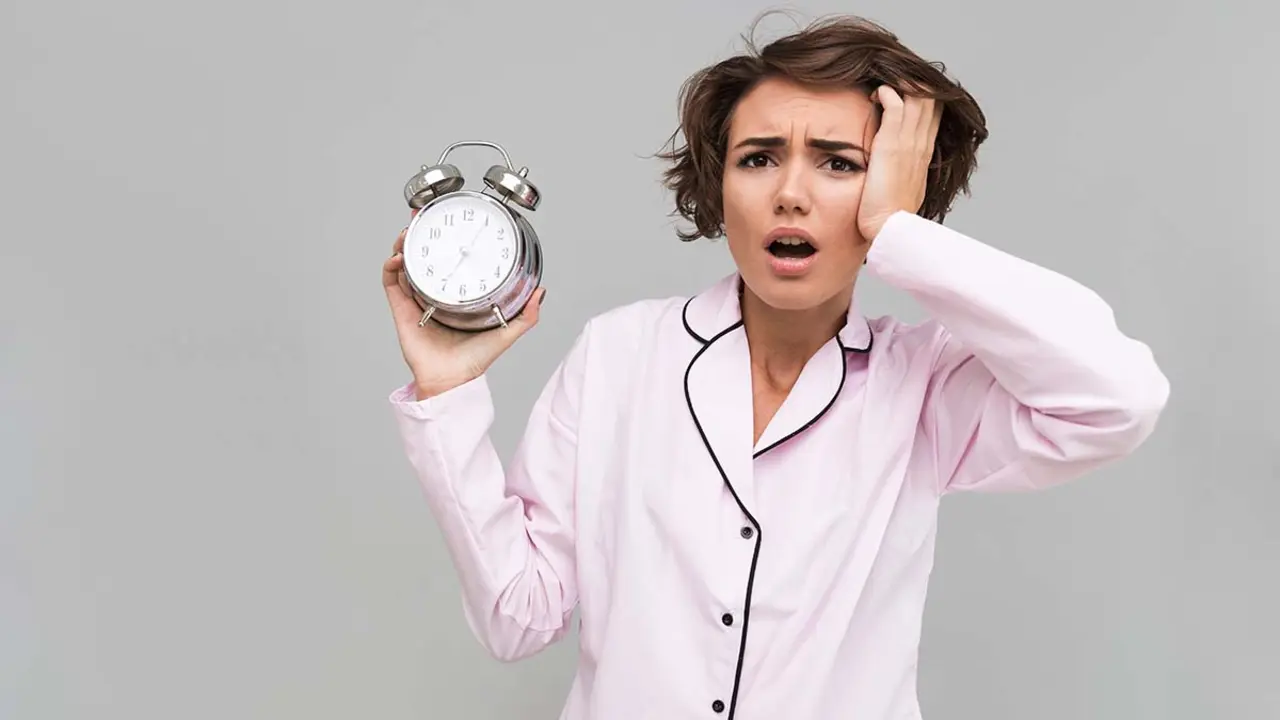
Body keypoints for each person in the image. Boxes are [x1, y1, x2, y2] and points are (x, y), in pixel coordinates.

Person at [380, 14, 1169, 720]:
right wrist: (445, 396)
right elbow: (518, 617)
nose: (790, 193)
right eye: (758, 159)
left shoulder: (925, 384)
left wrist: (899, 232)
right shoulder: (619, 356)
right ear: (720, 188)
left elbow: (1117, 399)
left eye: (838, 164)